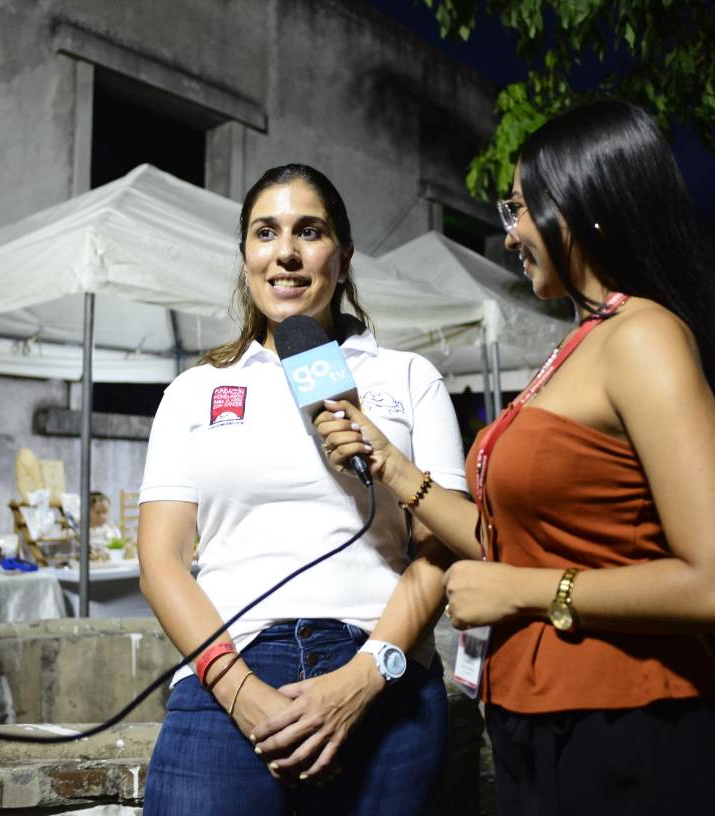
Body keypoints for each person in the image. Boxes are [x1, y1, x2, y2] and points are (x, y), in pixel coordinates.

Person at [316, 100, 715, 814]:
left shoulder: (643, 337)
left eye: (520, 208)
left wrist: (526, 592)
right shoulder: (578, 345)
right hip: (538, 728)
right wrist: (392, 465)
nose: (509, 233)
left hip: (632, 732)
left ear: (581, 205)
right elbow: (509, 540)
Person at [137, 164, 467, 815]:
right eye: (266, 232)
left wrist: (366, 677)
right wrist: (241, 693)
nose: (285, 252)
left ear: (342, 257)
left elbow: (441, 547)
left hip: (385, 671)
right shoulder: (195, 390)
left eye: (308, 232)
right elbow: (161, 561)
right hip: (229, 667)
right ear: (245, 257)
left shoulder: (409, 377)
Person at [87, 491, 121, 560]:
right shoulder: (82, 533)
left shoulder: (112, 531)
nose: (102, 516)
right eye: (97, 512)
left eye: (105, 512)